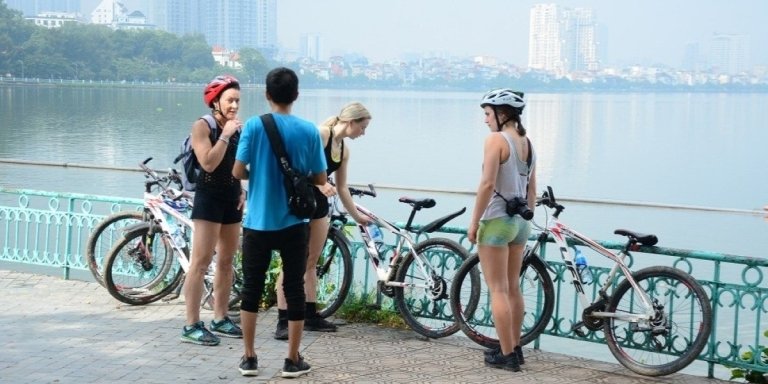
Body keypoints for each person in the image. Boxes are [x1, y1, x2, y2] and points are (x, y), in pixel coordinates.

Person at [232, 67, 327, 378]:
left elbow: (237, 172)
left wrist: (256, 174)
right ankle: (292, 359)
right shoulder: (310, 130)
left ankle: (249, 358)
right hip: (294, 223)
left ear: (267, 94)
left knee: (251, 289)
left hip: (257, 223)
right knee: (294, 288)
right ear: (296, 95)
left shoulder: (254, 127)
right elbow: (319, 178)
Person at [273, 102, 372, 340]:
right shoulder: (320, 134)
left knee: (311, 262)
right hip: (298, 201)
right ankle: (283, 320)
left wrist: (357, 217)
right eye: (363, 127)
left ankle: (310, 314)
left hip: (319, 204)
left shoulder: (344, 149)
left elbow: (342, 187)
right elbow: (295, 166)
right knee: (291, 262)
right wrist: (319, 182)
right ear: (351, 122)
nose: (363, 133)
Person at [467, 88, 536, 372]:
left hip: (496, 221)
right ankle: (515, 348)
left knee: (497, 289)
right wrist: (526, 219)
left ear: (502, 113)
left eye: (487, 114)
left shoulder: (496, 140)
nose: (485, 120)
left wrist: (474, 222)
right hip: (520, 223)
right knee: (513, 287)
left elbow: (486, 184)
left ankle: (506, 355)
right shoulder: (527, 142)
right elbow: (532, 187)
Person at [180, 75, 245, 346]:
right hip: (208, 199)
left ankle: (220, 317)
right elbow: (208, 163)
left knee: (227, 260)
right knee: (200, 262)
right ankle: (191, 324)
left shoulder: (236, 129)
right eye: (230, 100)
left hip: (231, 198)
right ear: (215, 101)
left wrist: (241, 189)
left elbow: (234, 164)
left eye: (237, 101)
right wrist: (226, 135)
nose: (234, 106)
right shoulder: (202, 126)